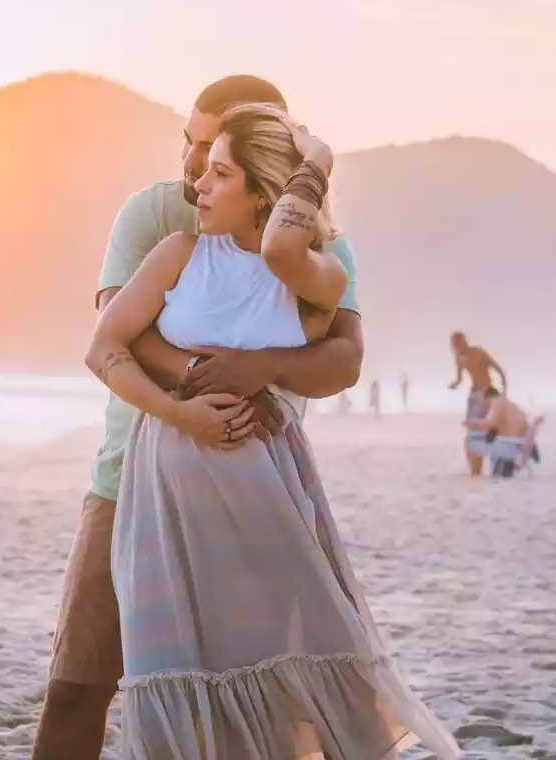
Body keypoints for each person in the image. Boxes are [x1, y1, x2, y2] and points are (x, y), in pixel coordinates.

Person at [86, 105, 460, 758]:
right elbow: (104, 349)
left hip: (261, 489)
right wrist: (180, 412)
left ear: (263, 193)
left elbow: (283, 247)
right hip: (164, 495)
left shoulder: (316, 274)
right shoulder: (178, 253)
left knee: (291, 656)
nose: (198, 181)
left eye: (221, 172)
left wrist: (316, 163)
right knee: (178, 667)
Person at [30, 76, 365, 760]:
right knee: (80, 680)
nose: (193, 170)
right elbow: (118, 333)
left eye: (214, 152)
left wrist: (263, 366)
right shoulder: (157, 218)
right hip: (130, 479)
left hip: (255, 490)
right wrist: (192, 392)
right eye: (190, 143)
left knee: (261, 697)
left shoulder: (322, 251)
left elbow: (344, 358)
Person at [448, 331, 508, 477]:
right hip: (474, 394)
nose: (456, 348)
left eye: (457, 344)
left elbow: (497, 368)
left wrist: (504, 387)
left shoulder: (479, 353)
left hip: (487, 392)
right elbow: (459, 378)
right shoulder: (459, 358)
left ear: (464, 342)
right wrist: (454, 384)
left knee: (486, 428)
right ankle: (475, 467)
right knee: (471, 430)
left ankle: (492, 462)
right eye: (454, 346)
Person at [464, 386, 539, 477]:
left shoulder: (497, 401)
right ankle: (496, 467)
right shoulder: (512, 406)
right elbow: (498, 428)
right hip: (519, 445)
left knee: (469, 439)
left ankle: (474, 472)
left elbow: (491, 423)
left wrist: (473, 423)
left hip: (508, 444)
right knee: (488, 439)